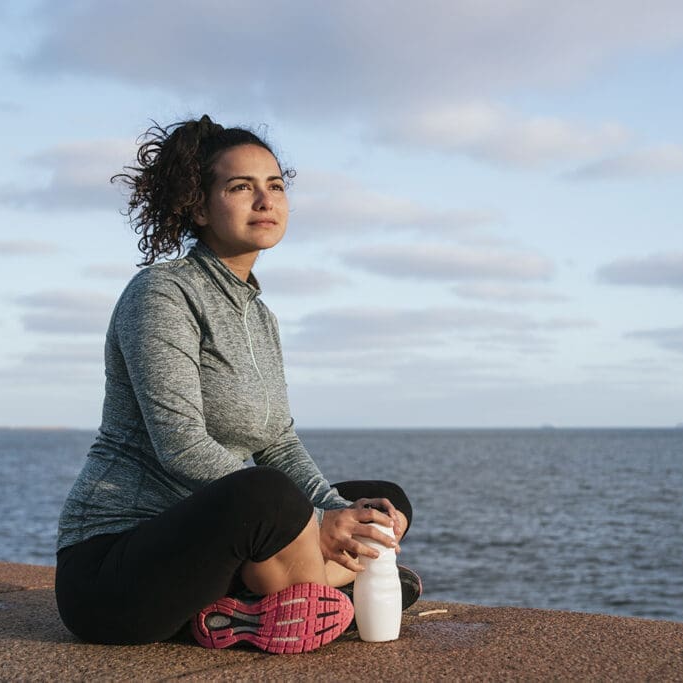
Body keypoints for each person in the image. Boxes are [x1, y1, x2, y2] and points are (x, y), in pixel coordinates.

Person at [55, 115, 416, 654]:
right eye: (241, 187)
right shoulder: (162, 293)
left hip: (213, 557)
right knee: (266, 495)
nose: (265, 201)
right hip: (118, 572)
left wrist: (336, 510)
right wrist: (316, 522)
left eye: (275, 186)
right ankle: (328, 591)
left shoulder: (260, 316)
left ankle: (253, 609)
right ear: (199, 207)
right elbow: (181, 446)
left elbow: (278, 442)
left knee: (384, 500)